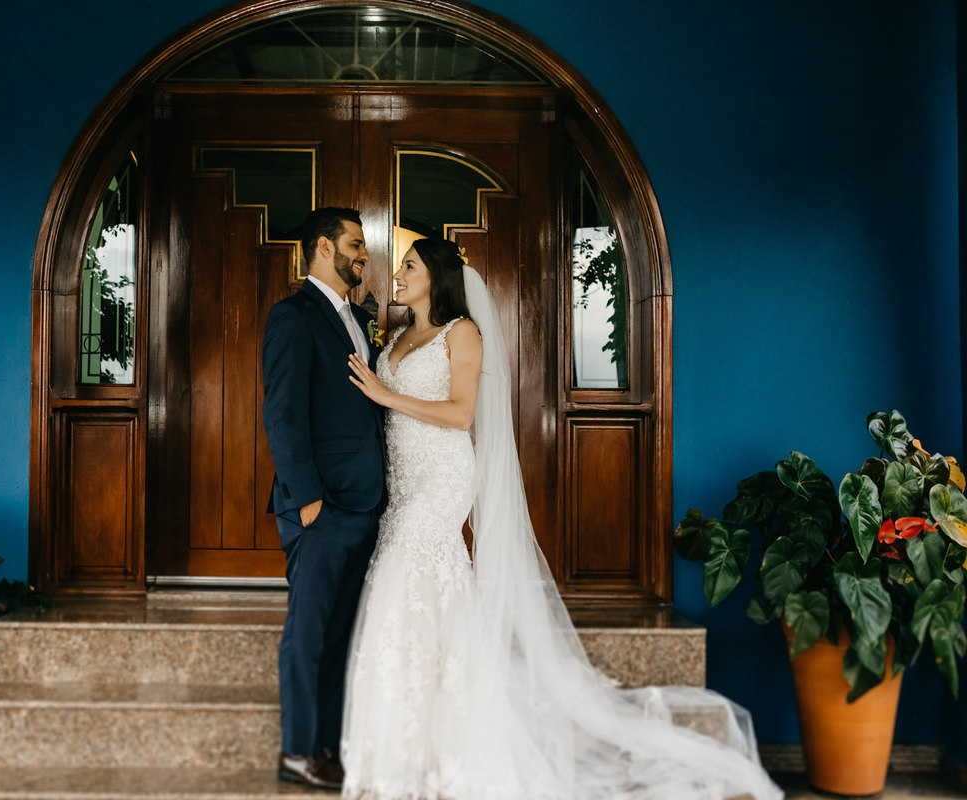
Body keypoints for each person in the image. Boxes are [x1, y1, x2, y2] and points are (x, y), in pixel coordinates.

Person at [342, 237, 783, 800]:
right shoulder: (399, 335)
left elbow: (459, 414)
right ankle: (413, 739)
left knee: (406, 575)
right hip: (402, 482)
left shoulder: (464, 333)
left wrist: (385, 395)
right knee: (411, 592)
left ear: (437, 276)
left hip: (443, 478)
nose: (397, 274)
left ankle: (441, 745)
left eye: (408, 265)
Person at [261, 207, 386, 791]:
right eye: (355, 244)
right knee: (308, 631)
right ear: (321, 248)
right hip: (321, 507)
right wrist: (308, 501)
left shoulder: (359, 317)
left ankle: (327, 747)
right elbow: (283, 413)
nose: (364, 254)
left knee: (339, 632)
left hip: (363, 504)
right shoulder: (293, 316)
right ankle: (296, 752)